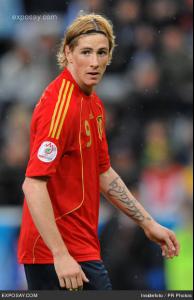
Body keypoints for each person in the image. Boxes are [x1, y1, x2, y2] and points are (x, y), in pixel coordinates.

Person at [18, 13, 180, 291]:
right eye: (86, 52)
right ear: (68, 52)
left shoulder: (93, 104)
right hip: (57, 255)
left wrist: (147, 222)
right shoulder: (60, 107)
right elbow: (33, 185)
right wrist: (60, 255)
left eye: (102, 53)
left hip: (82, 247)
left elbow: (103, 172)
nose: (94, 62)